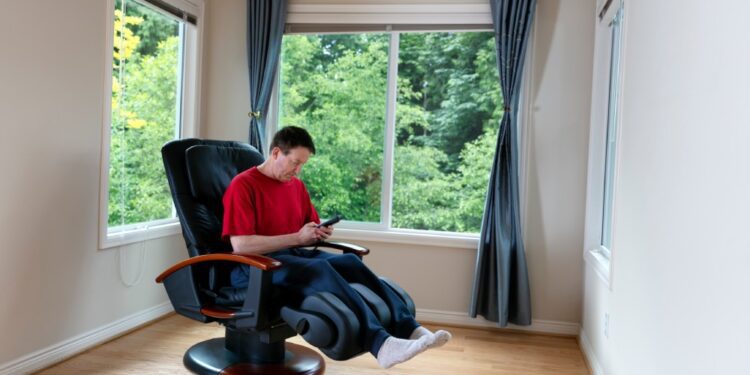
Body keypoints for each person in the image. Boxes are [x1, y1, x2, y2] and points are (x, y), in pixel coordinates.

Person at [222, 126, 451, 369]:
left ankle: (410, 329)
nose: (298, 170)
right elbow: (241, 245)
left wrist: (318, 231)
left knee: (349, 262)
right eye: (295, 162)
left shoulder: (295, 186)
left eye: (303, 165)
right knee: (320, 269)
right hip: (256, 266)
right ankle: (381, 344)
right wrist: (297, 238)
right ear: (276, 152)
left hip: (292, 256)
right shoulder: (243, 185)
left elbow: (305, 228)